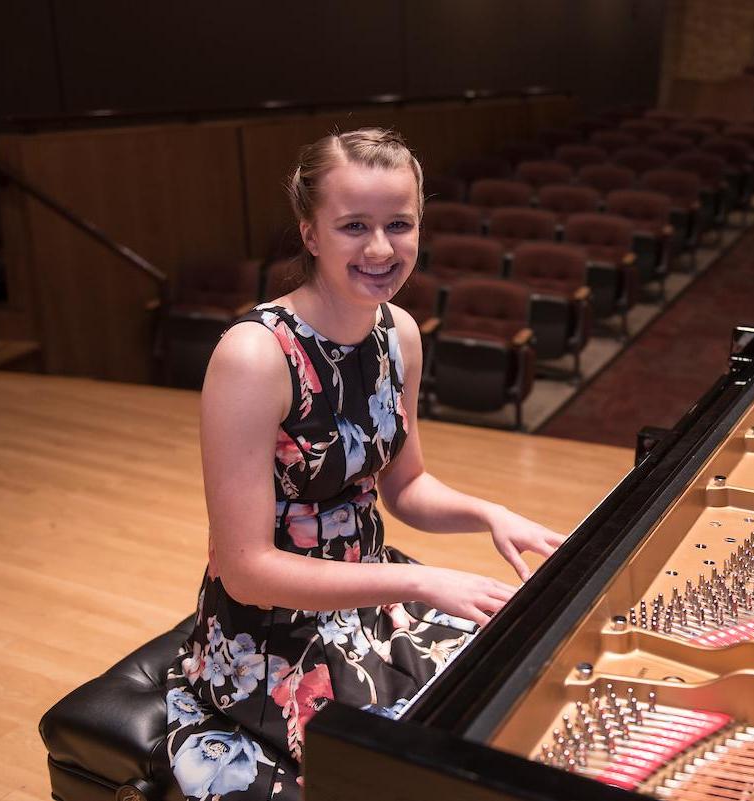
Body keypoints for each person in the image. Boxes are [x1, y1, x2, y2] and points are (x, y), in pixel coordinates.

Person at [163, 128, 564, 800]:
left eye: (398, 224)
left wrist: (488, 513)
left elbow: (406, 487)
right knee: (400, 771)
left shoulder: (398, 333)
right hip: (270, 628)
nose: (381, 249)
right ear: (311, 233)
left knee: (514, 696)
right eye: (354, 225)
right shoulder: (254, 355)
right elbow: (245, 566)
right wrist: (420, 584)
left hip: (374, 594)